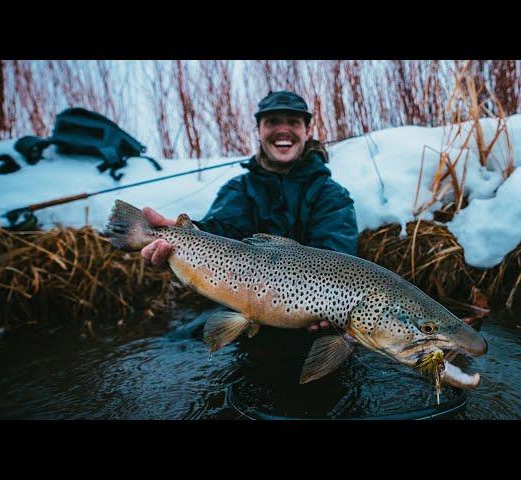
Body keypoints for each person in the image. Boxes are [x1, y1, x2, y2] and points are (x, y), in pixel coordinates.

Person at [141, 90, 359, 332]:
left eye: (293, 122)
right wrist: (190, 235)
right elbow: (221, 228)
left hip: (312, 321)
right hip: (243, 310)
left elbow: (337, 259)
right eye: (273, 122)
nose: (283, 129)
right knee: (181, 339)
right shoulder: (239, 189)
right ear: (259, 130)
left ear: (307, 131)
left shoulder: (332, 195)